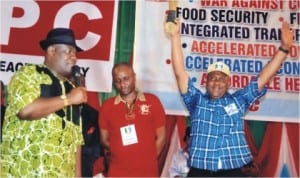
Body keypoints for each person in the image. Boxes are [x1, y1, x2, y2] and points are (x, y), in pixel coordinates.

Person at [168, 20, 294, 177]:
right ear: (206, 81)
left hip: (233, 171)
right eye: (213, 78)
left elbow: (263, 78)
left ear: (228, 83)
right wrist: (175, 37)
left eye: (222, 79)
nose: (217, 83)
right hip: (200, 171)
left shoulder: (239, 100)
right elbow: (180, 73)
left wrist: (284, 49)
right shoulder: (196, 101)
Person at [0, 28, 88, 177]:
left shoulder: (71, 88)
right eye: (69, 51)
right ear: (52, 51)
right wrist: (68, 99)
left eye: (75, 53)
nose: (74, 58)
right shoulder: (29, 74)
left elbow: (76, 140)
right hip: (23, 171)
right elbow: (25, 110)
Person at [99, 62, 166, 177]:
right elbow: (104, 140)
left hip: (147, 172)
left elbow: (161, 137)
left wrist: (147, 159)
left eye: (126, 79)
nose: (122, 84)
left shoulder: (152, 101)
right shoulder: (107, 106)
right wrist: (120, 153)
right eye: (117, 80)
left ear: (134, 77)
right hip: (117, 172)